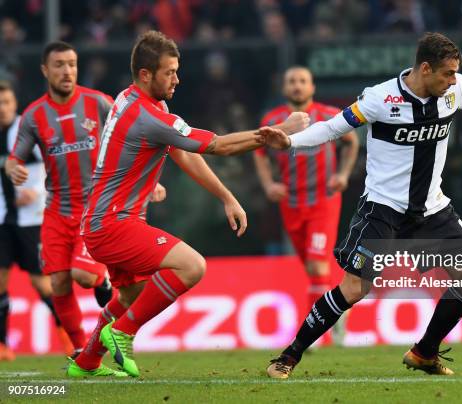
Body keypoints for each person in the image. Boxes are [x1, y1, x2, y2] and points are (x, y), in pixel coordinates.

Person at [265, 32, 462, 378]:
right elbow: (332, 128)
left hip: (432, 210)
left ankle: (424, 353)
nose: (454, 80)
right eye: (447, 73)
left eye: (455, 74)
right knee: (355, 288)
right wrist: (290, 141)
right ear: (424, 68)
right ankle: (289, 356)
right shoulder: (379, 98)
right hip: (383, 209)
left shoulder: (455, 91)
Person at [70, 30, 306, 378]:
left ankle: (87, 361)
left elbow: (183, 153)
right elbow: (219, 146)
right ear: (146, 74)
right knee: (192, 266)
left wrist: (226, 196)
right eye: (170, 72)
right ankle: (123, 332)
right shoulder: (149, 116)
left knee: (132, 294)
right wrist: (275, 131)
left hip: (106, 220)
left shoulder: (138, 101)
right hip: (113, 223)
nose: (177, 79)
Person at [4, 41, 118, 358]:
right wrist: (13, 170)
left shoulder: (99, 104)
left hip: (94, 209)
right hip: (55, 212)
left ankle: (104, 280)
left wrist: (148, 181)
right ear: (45, 70)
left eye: (72, 63)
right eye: (59, 65)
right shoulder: (34, 115)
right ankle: (81, 348)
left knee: (82, 276)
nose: (67, 71)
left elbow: (132, 136)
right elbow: (16, 157)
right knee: (58, 284)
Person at [254, 66, 359, 344]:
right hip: (291, 202)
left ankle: (311, 333)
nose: (297, 86)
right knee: (314, 268)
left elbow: (352, 141)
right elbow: (259, 153)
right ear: (284, 88)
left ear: (312, 87)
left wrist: (343, 174)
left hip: (323, 200)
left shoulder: (328, 115)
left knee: (316, 264)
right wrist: (268, 185)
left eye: (302, 81)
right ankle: (338, 309)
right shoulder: (273, 119)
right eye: (292, 81)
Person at [0, 80, 73, 359]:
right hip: (2, 221)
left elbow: (57, 162)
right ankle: (2, 345)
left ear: (14, 104)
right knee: (0, 280)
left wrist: (39, 190)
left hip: (32, 220)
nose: (2, 108)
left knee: (42, 284)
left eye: (6, 102)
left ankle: (67, 334)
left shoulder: (26, 130)